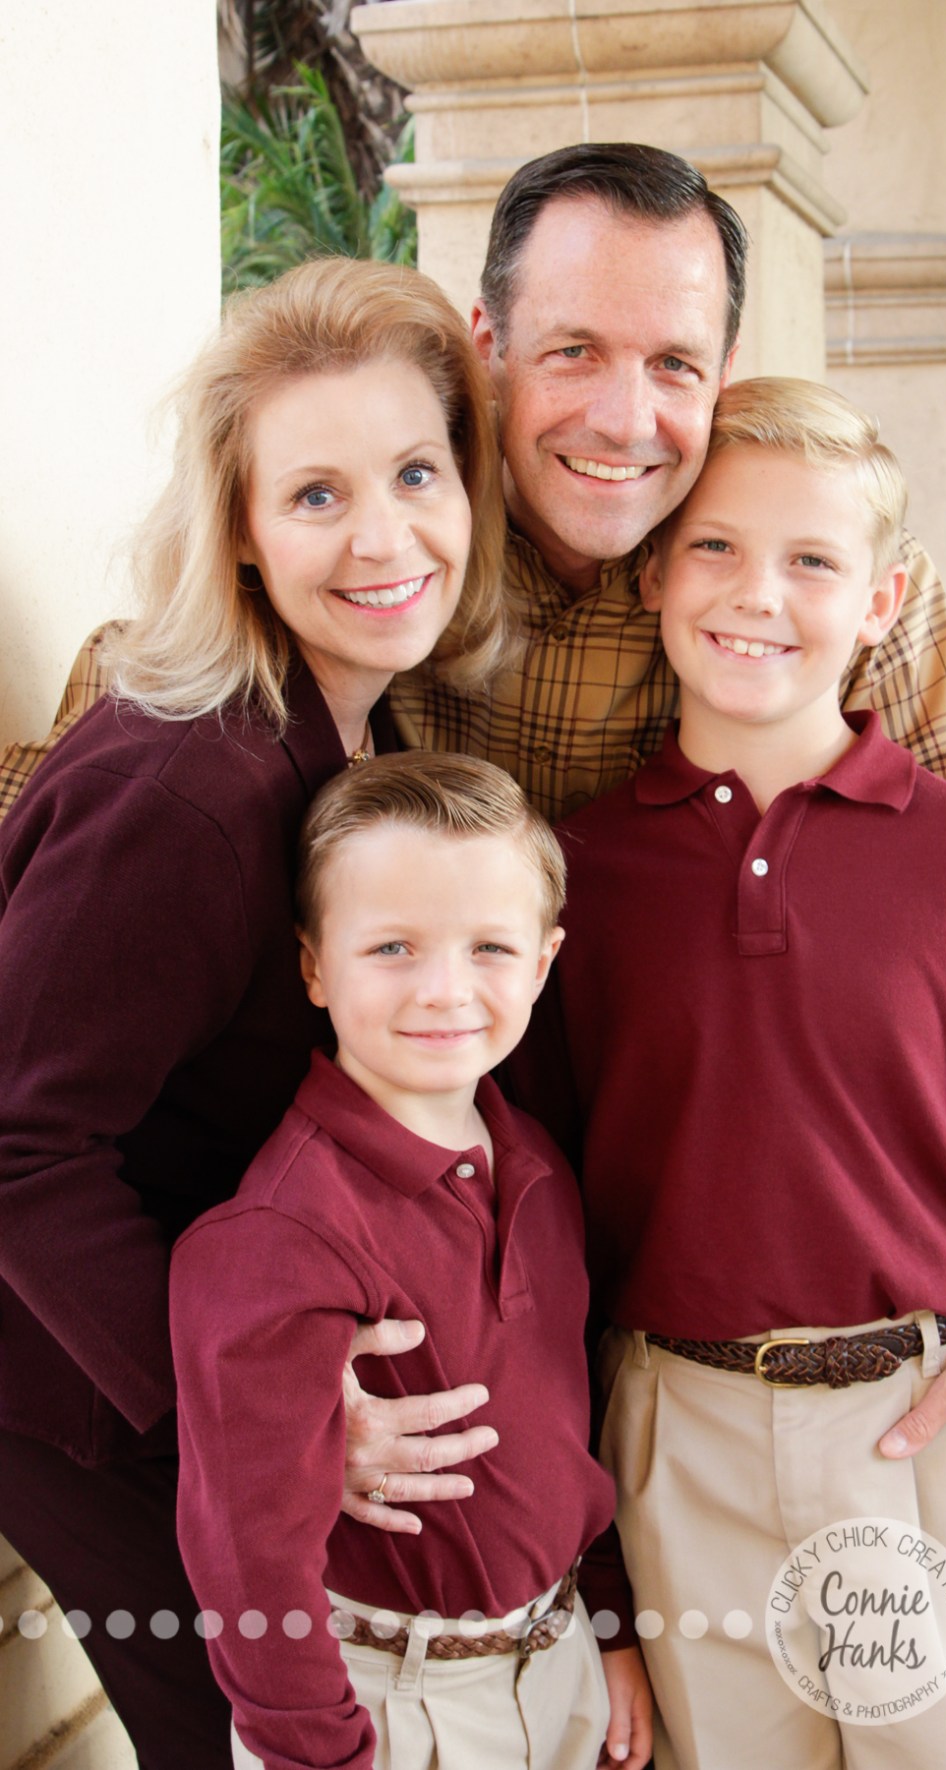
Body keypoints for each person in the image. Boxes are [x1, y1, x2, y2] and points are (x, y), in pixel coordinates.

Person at [0, 144, 946, 1596]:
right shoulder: (388, 572)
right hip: (346, 1285)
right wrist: (252, 1389)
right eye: (573, 350)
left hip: (693, 1277)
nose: (624, 417)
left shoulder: (808, 577)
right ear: (487, 348)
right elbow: (73, 914)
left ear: (725, 369)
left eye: (674, 364)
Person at [517, 378, 946, 1768]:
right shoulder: (578, 873)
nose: (758, 592)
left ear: (882, 604)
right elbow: (545, 1217)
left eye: (813, 560)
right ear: (652, 574)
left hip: (913, 1434)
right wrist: (593, 1564)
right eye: (715, 547)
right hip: (674, 1433)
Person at [0, 257, 512, 1768]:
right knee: (247, 1741)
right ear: (236, 526)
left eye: (417, 471)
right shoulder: (194, 790)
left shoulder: (350, 726)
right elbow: (19, 1143)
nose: (385, 535)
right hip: (77, 1387)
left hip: (211, 1341)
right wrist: (258, 1417)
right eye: (315, 495)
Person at [170, 751, 652, 1770]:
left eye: (488, 947)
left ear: (544, 961)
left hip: (556, 1662)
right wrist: (320, 1754)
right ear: (311, 964)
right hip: (387, 1706)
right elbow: (249, 1565)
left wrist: (603, 1623)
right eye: (391, 946)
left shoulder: (538, 1170)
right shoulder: (278, 1234)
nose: (445, 990)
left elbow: (568, 1432)